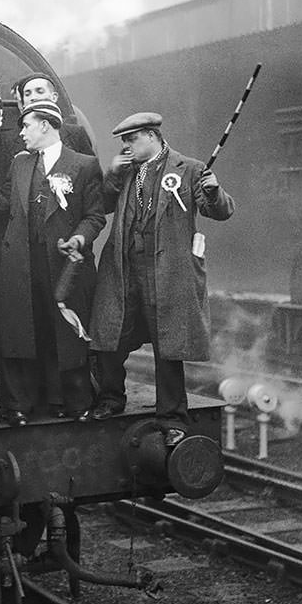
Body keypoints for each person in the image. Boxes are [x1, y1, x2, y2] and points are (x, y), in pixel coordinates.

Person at [89, 112, 235, 444]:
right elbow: (102, 205)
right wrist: (112, 173)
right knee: (110, 337)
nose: (126, 146)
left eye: (131, 139)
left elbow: (221, 211)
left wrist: (214, 192)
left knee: (168, 349)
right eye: (124, 141)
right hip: (125, 272)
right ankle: (111, 399)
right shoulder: (126, 172)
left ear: (152, 136)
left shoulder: (191, 169)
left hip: (169, 274)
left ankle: (172, 418)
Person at [0, 100, 105, 424]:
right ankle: (20, 405)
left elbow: (95, 216)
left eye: (26, 125)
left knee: (68, 333)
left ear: (45, 125)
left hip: (63, 265)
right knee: (23, 332)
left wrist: (80, 238)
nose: (22, 133)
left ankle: (74, 402)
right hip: (21, 263)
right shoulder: (20, 164)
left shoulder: (84, 165)